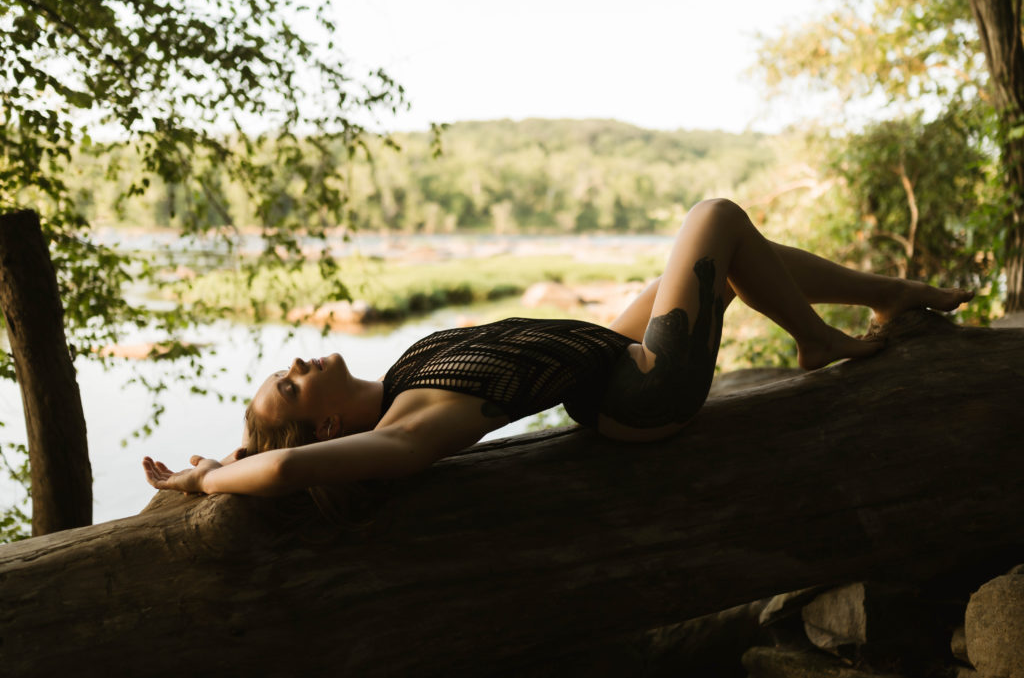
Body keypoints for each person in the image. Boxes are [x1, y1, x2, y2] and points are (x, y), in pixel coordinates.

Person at [142, 198, 973, 497]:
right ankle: (823, 341)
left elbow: (278, 449)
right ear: (326, 430)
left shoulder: (401, 373)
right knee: (714, 216)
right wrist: (212, 477)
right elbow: (284, 469)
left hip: (604, 363)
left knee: (723, 260)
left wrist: (235, 442)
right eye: (289, 387)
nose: (294, 364)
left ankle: (889, 293)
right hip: (638, 397)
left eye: (282, 371)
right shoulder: (409, 423)